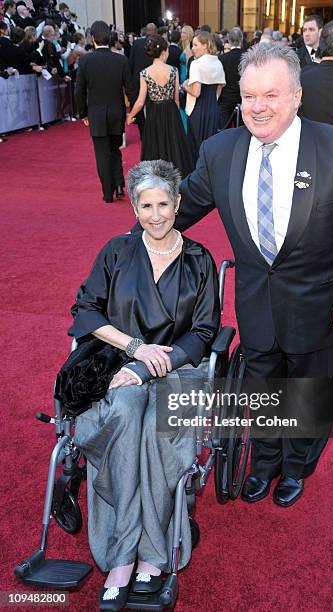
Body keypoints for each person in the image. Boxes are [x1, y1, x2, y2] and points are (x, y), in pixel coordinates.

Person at [161, 44, 333, 507]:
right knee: (263, 393)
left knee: (307, 391)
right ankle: (263, 464)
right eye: (248, 96)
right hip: (256, 302)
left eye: (271, 95)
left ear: (297, 96)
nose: (257, 107)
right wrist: (139, 235)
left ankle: (297, 467)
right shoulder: (219, 150)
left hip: (320, 306)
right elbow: (183, 207)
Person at [71, 159, 220, 611]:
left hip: (179, 370)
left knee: (159, 423)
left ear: (178, 203)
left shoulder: (199, 259)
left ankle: (152, 556)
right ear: (134, 209)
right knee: (125, 411)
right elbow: (86, 311)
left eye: (163, 204)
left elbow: (204, 332)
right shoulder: (117, 251)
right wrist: (136, 350)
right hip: (116, 362)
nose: (156, 215)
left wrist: (154, 363)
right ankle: (121, 556)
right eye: (145, 206)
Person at [75, 20, 136, 204]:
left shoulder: (85, 61)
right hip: (117, 114)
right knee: (115, 150)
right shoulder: (121, 59)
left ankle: (108, 193)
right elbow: (130, 88)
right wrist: (131, 111)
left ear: (92, 38)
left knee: (102, 154)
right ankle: (118, 186)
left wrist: (83, 113)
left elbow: (79, 91)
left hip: (97, 115)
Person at [127, 35, 194, 178]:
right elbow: (176, 99)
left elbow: (140, 101)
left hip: (154, 114)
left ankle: (156, 181)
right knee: (174, 147)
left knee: (155, 147)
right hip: (171, 112)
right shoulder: (173, 71)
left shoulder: (145, 73)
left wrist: (130, 115)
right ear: (164, 52)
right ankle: (174, 181)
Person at [182, 31, 225, 161]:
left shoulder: (196, 64)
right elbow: (220, 86)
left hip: (197, 109)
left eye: (195, 45)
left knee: (195, 147)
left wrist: (184, 86)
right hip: (213, 109)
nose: (193, 48)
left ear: (205, 45)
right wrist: (213, 100)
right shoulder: (218, 63)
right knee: (210, 146)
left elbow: (196, 92)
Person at [128, 22, 156, 139]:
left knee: (139, 106)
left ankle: (143, 133)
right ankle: (152, 132)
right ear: (154, 31)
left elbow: (131, 63)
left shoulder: (136, 43)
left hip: (137, 80)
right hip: (153, 79)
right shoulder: (157, 43)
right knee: (152, 106)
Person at [218, 27, 243, 130]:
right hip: (243, 98)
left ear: (230, 41)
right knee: (243, 130)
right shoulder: (248, 56)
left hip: (226, 98)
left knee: (223, 130)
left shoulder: (222, 58)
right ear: (241, 39)